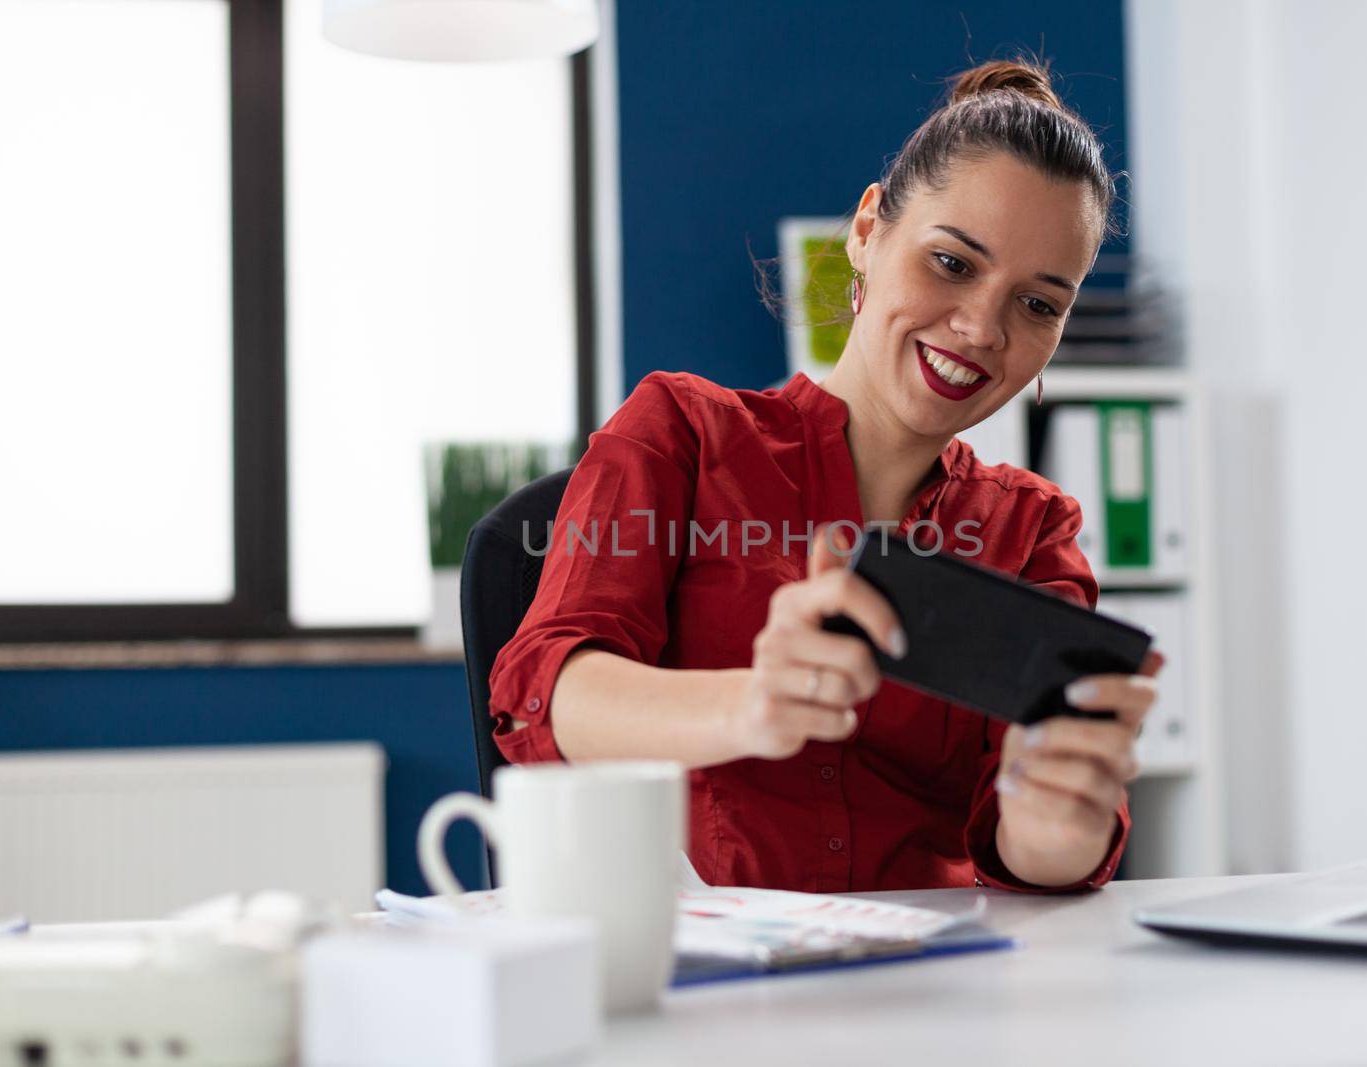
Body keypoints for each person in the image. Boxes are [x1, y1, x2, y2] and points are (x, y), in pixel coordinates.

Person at [488, 58, 1163, 894]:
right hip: (705, 979)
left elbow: (1031, 854)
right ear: (869, 229)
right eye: (952, 263)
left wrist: (1054, 811)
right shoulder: (683, 433)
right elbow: (544, 696)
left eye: (1037, 304)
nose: (981, 326)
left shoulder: (1032, 532)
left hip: (935, 987)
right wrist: (752, 704)